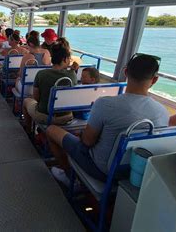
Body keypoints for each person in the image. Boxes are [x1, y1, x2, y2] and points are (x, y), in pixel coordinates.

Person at [46, 54, 169, 185]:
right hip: (134, 172)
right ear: (154, 80)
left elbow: (87, 142)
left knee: (51, 130)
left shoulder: (105, 104)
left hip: (102, 170)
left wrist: (81, 134)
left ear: (125, 72)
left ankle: (69, 177)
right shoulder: (162, 112)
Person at [23, 38, 79, 129]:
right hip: (66, 117)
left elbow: (36, 98)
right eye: (69, 59)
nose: (70, 61)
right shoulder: (72, 75)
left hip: (46, 116)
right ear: (64, 59)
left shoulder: (41, 74)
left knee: (26, 101)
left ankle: (28, 129)